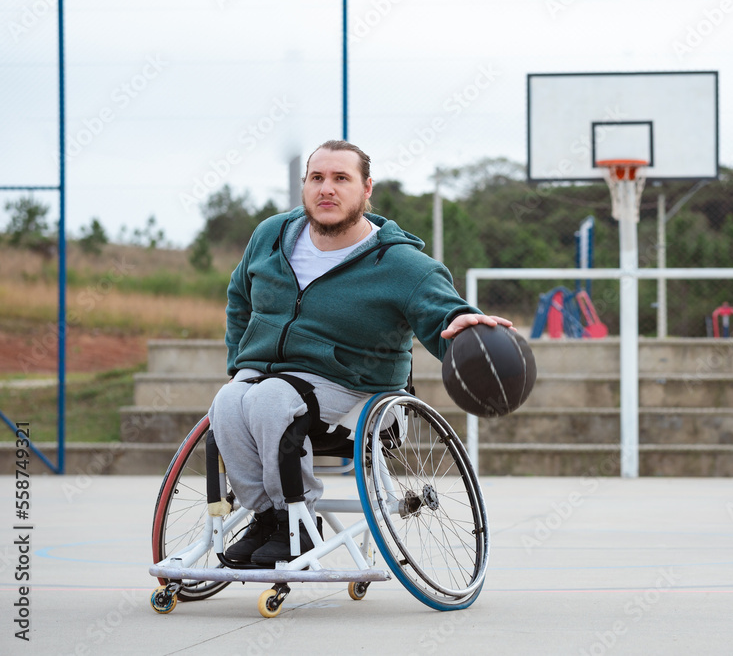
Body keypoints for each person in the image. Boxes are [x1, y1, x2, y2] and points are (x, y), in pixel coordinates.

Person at [208, 139, 511, 566]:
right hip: (266, 375)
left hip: (356, 390)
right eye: (317, 178)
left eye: (340, 179)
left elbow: (443, 312)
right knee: (228, 400)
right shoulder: (271, 235)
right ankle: (268, 517)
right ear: (304, 186)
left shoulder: (398, 262)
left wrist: (463, 326)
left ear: (367, 189)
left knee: (269, 398)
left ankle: (297, 523)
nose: (326, 189)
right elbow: (239, 298)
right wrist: (239, 363)